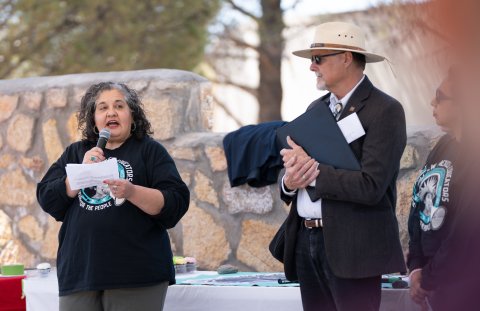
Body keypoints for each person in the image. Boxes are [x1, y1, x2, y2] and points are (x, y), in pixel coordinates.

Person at [279, 22, 406, 311]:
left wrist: (310, 173)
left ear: (346, 58)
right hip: (305, 242)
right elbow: (293, 169)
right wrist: (290, 179)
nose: (312, 67)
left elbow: (371, 186)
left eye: (318, 58)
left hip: (354, 249)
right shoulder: (315, 109)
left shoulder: (385, 110)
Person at [37, 82, 190, 311]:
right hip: (81, 273)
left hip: (135, 274)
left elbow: (176, 201)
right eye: (102, 107)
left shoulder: (149, 151)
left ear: (132, 115)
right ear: (94, 119)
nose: (111, 112)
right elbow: (47, 197)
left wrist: (132, 192)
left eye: (119, 106)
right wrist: (79, 174)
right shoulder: (77, 153)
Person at [407, 70, 461, 310]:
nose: (432, 102)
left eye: (440, 96)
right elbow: (418, 202)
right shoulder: (443, 145)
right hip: (432, 281)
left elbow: (465, 231)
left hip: (462, 282)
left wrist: (429, 275)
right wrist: (417, 266)